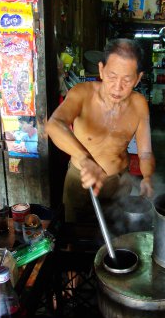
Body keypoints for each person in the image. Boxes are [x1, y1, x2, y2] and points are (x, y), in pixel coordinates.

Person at [45, 38, 155, 223]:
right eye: (112, 77)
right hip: (82, 181)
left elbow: (145, 152)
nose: (118, 87)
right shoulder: (82, 93)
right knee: (76, 237)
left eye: (126, 80)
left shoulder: (139, 104)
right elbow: (54, 124)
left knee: (115, 239)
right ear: (101, 70)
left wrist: (147, 177)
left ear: (138, 79)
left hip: (119, 184)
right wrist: (85, 159)